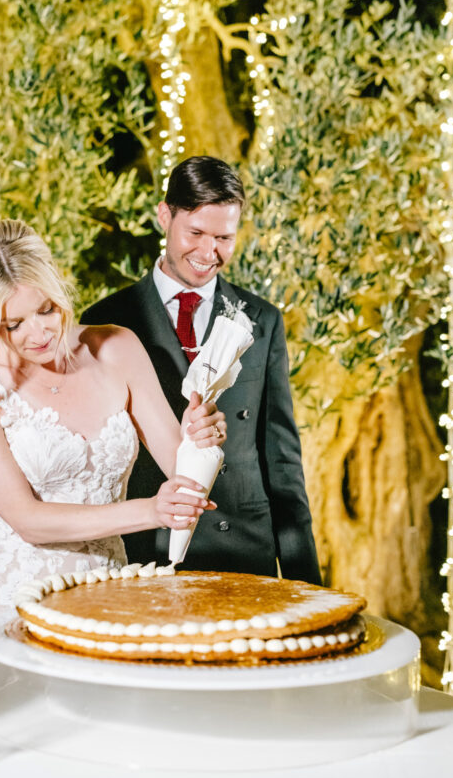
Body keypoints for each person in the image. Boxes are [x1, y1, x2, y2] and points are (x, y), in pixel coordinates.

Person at [0, 219, 225, 643]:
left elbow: (183, 471)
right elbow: (28, 521)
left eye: (46, 309)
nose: (37, 333)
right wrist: (149, 512)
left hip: (107, 592)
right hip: (13, 599)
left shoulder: (116, 347)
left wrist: (204, 440)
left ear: (59, 289)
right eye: (12, 324)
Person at [81, 155, 321, 584]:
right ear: (164, 216)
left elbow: (282, 461)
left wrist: (307, 581)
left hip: (244, 550)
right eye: (195, 233)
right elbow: (76, 440)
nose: (209, 253)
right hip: (144, 550)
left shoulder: (263, 320)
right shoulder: (105, 320)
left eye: (224, 238)